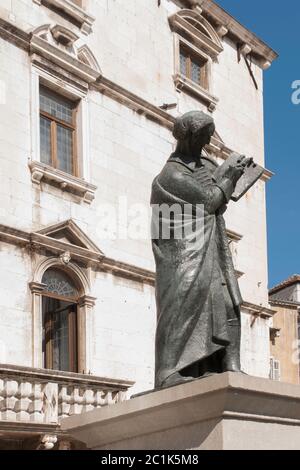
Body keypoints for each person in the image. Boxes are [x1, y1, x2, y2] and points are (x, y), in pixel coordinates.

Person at [151, 111, 251, 389]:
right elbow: (209, 202)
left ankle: (231, 366)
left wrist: (228, 176)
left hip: (213, 248)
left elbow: (217, 198)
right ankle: (168, 372)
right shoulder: (172, 175)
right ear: (191, 137)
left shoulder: (203, 163)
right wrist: (230, 176)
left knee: (229, 302)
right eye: (205, 138)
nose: (208, 143)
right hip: (185, 254)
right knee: (183, 305)